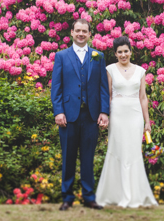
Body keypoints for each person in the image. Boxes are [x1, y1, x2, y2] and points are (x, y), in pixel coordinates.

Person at [51, 18, 110, 211]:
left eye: (84, 31)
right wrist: (58, 111)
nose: (81, 34)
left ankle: (88, 197)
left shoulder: (98, 56)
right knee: (68, 158)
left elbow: (103, 87)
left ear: (89, 33)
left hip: (91, 116)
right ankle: (67, 198)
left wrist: (104, 111)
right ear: (72, 33)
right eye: (78, 30)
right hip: (68, 116)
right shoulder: (61, 56)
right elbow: (56, 88)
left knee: (87, 158)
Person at [95, 36, 158, 207]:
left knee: (133, 152)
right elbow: (106, 95)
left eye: (126, 51)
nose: (123, 55)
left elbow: (143, 97)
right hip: (117, 115)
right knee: (117, 151)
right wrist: (105, 114)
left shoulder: (140, 71)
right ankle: (116, 195)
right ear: (115, 54)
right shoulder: (110, 70)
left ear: (131, 51)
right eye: (119, 52)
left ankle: (135, 195)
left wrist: (147, 121)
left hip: (135, 115)